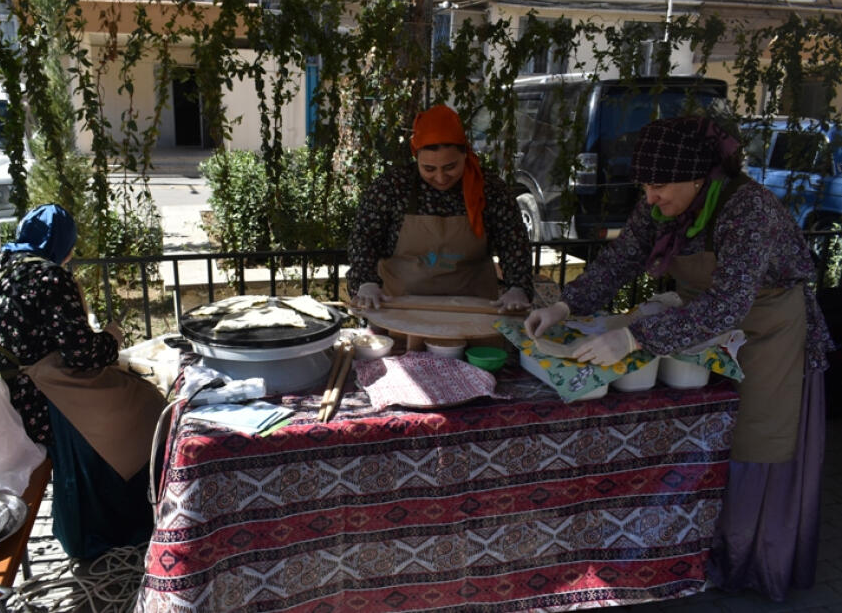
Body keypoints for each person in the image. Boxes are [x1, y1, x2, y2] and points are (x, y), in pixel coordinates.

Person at [525, 116, 832, 601]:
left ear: (697, 178)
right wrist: (565, 305)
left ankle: (749, 563)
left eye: (660, 186)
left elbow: (730, 303)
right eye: (646, 186)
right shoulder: (662, 207)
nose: (650, 199)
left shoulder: (748, 209)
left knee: (754, 443)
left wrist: (633, 339)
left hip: (770, 332)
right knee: (707, 433)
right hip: (703, 327)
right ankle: (694, 551)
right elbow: (621, 260)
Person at [0, 204, 155, 559]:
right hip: (46, 402)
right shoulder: (49, 278)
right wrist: (112, 337)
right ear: (62, 242)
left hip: (4, 400)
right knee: (145, 409)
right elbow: (82, 354)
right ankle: (112, 534)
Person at [347, 103, 534, 310]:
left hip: (474, 307)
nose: (441, 177)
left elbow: (513, 240)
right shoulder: (392, 187)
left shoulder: (490, 189)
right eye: (428, 168)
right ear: (416, 157)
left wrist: (517, 286)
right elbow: (364, 237)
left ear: (465, 154)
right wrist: (366, 281)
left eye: (450, 167)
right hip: (399, 306)